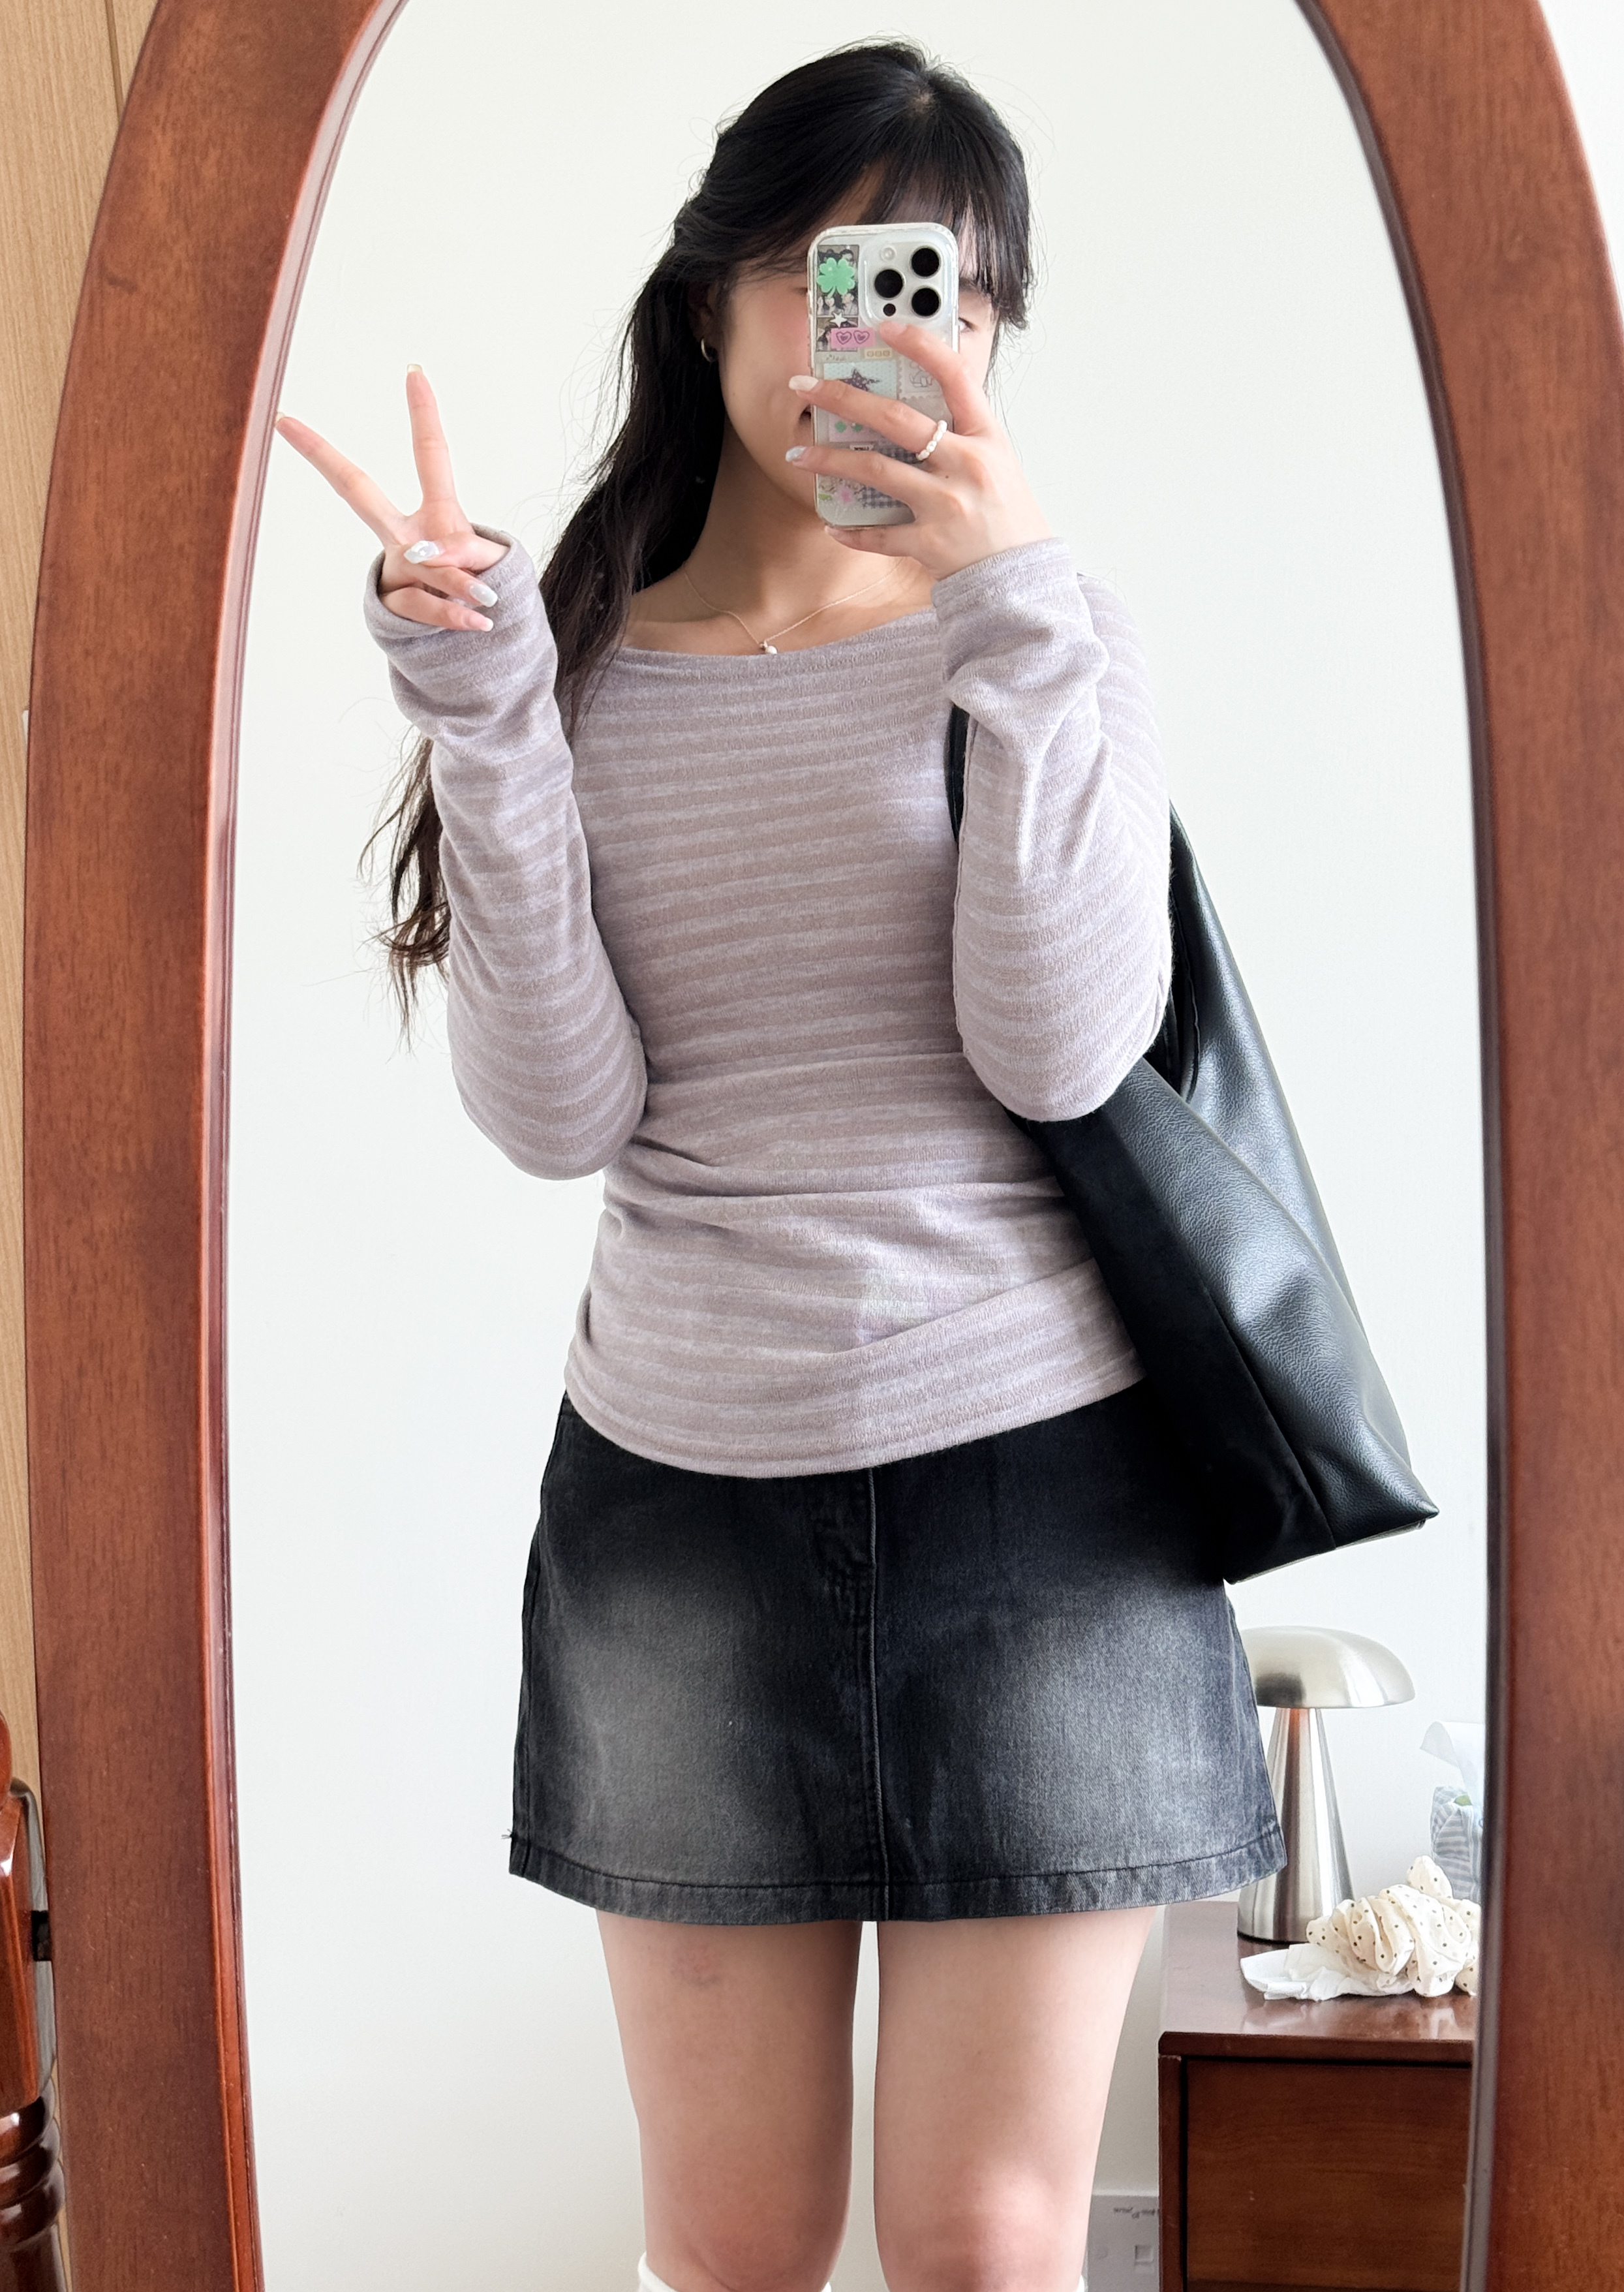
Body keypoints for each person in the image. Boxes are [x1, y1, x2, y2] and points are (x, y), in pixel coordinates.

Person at [276, 40, 1281, 2292]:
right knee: (731, 2248)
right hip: (680, 1504)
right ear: (718, 288)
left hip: (1046, 1490)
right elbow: (556, 1118)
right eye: (850, 276)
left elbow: (1058, 1051)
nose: (900, 335)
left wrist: (1010, 609)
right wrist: (482, 716)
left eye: (955, 295)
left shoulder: (1052, 633)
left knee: (984, 2245)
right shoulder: (576, 665)